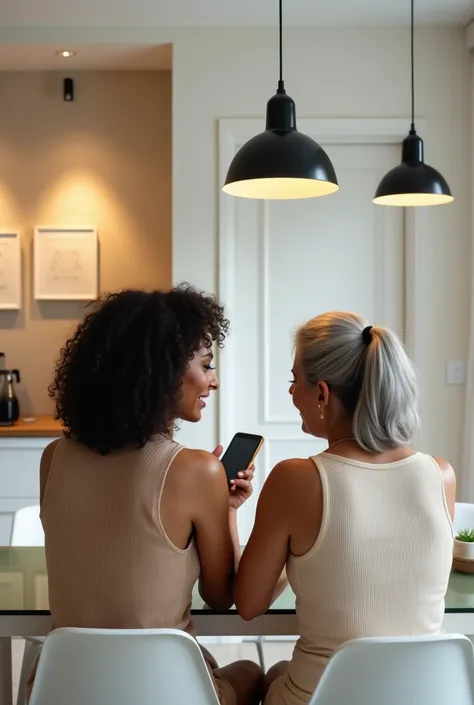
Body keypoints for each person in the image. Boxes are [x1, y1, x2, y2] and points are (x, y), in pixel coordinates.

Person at [28, 285, 263, 705]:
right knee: (250, 672)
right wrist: (225, 510)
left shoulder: (53, 458)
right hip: (163, 693)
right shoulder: (194, 470)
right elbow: (221, 596)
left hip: (64, 690)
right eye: (206, 365)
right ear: (166, 369)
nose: (213, 380)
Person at [235, 311, 455, 705]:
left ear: (322, 393)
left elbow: (249, 605)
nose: (289, 393)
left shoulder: (296, 479)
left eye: (293, 380)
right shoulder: (441, 475)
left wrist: (231, 512)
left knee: (264, 677)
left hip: (320, 698)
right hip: (423, 697)